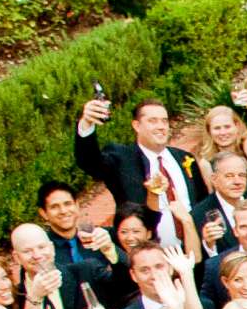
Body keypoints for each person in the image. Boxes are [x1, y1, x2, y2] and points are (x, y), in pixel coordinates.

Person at [76, 95, 199, 247]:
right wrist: (86, 123)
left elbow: (201, 202)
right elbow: (89, 162)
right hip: (146, 256)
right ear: (137, 125)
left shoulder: (185, 158)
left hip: (193, 251)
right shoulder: (121, 159)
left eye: (164, 121)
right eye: (152, 121)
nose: (161, 126)